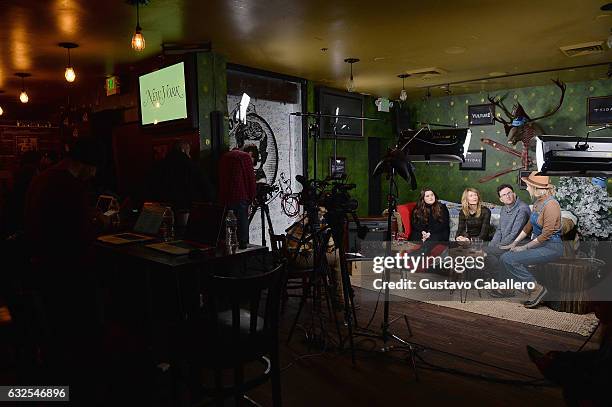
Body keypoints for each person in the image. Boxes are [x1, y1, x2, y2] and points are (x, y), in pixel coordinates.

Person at [24, 136, 106, 401]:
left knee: (58, 334)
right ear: (87, 165)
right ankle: (84, 389)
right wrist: (101, 223)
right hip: (68, 274)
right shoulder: (70, 186)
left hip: (42, 270)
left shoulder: (42, 178)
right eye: (94, 169)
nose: (94, 175)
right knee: (82, 332)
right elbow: (80, 235)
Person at [496, 172, 563, 308]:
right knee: (505, 256)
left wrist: (524, 247)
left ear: (535, 187)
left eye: (528, 186)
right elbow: (529, 226)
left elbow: (546, 234)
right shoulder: (538, 202)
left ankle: (536, 289)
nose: (526, 188)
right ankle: (507, 288)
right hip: (540, 245)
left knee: (510, 259)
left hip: (551, 247)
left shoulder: (551, 205)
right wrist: (514, 243)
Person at [150, 140, 213, 213]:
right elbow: (207, 189)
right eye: (188, 151)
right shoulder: (191, 166)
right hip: (187, 209)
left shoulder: (159, 166)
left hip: (163, 210)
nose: (189, 155)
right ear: (182, 150)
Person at [484, 184, 530, 275]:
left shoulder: (522, 209)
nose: (507, 196)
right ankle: (500, 280)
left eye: (509, 193)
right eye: (504, 195)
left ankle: (499, 280)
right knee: (489, 253)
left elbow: (515, 234)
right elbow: (499, 230)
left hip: (517, 245)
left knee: (483, 250)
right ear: (501, 199)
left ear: (514, 194)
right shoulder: (504, 209)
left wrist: (497, 247)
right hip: (504, 245)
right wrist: (492, 245)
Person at [218, 147, 257, 249]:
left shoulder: (224, 157)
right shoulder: (245, 157)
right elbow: (250, 180)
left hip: (225, 197)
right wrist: (252, 199)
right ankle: (243, 249)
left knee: (227, 230)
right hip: (240, 197)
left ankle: (229, 250)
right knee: (242, 229)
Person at [409, 188, 450, 255]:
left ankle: (420, 253)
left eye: (432, 195)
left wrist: (430, 233)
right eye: (427, 196)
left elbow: (443, 224)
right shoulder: (417, 208)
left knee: (433, 238)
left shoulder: (442, 207)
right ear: (423, 198)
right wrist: (422, 232)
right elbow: (414, 223)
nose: (430, 197)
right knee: (414, 235)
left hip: (438, 231)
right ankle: (412, 253)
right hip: (424, 231)